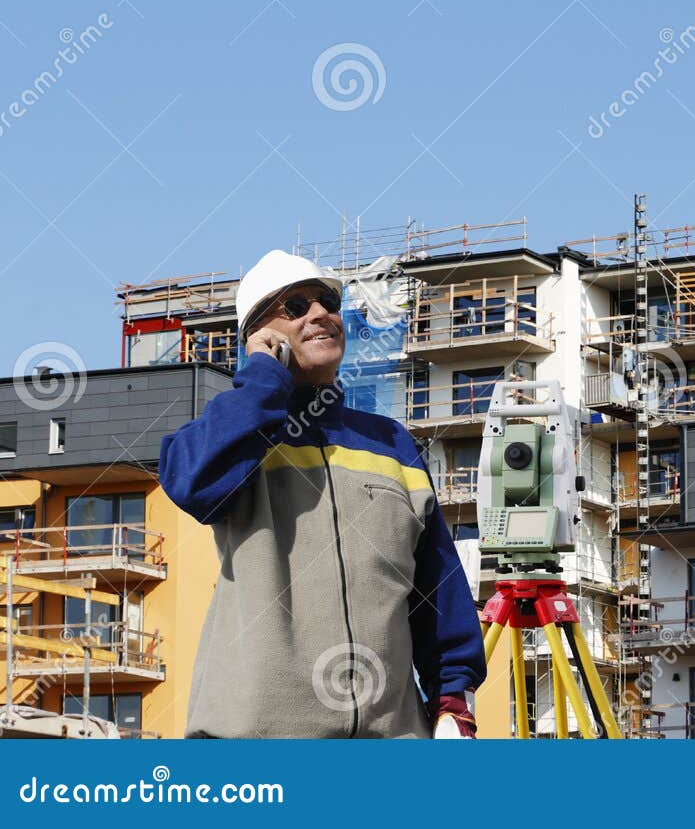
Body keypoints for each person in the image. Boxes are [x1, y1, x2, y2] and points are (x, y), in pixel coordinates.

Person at [158, 250, 486, 738]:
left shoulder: (392, 443)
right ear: (259, 336)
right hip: (258, 747)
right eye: (294, 306)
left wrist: (453, 701)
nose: (320, 314)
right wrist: (262, 379)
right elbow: (190, 480)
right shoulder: (238, 434)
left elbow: (436, 589)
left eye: (327, 301)